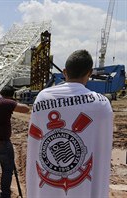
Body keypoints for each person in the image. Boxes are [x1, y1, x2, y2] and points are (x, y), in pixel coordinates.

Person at [26, 49, 113, 198]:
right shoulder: (101, 103)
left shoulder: (42, 98)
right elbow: (101, 145)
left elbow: (36, 142)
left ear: (64, 71)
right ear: (90, 73)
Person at [0, 85, 30, 198]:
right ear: (10, 96)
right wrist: (12, 103)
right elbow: (26, 109)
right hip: (2, 141)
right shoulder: (7, 102)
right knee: (7, 170)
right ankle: (5, 195)